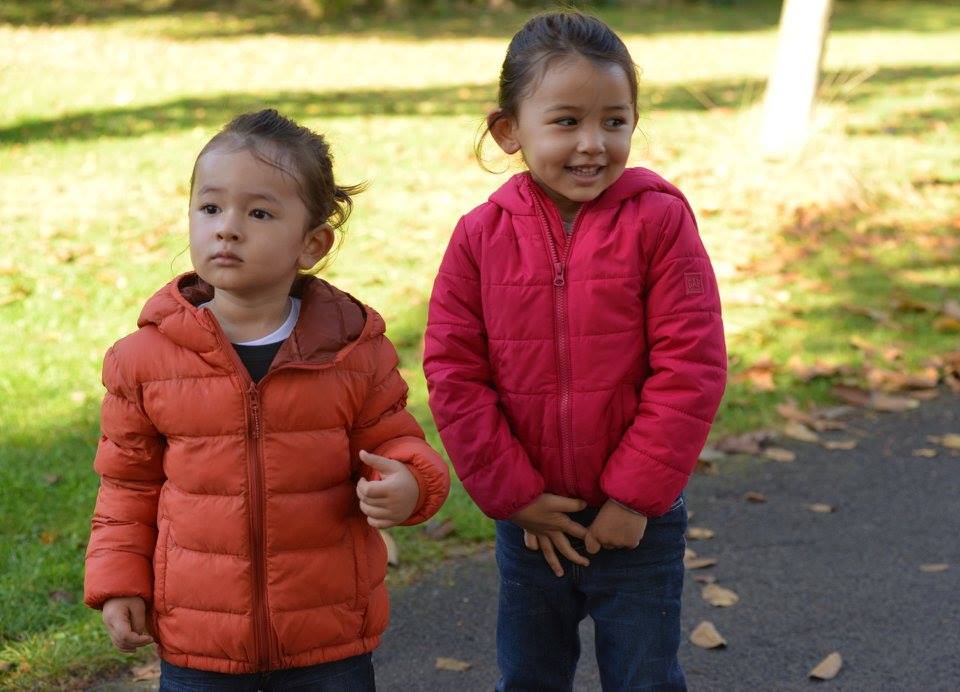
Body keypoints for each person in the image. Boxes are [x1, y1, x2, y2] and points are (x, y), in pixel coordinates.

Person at [83, 109, 450, 691]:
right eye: (210, 208)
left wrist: (411, 483)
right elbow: (127, 486)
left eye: (258, 212)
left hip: (327, 636)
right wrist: (119, 581)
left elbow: (398, 441)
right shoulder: (144, 360)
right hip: (199, 640)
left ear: (312, 243)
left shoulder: (351, 351)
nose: (227, 227)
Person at [423, 12, 726, 691]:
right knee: (530, 676)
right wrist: (514, 496)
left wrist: (634, 498)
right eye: (566, 122)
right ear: (509, 131)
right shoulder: (478, 238)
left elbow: (692, 365)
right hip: (534, 524)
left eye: (614, 122)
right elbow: (453, 373)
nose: (593, 144)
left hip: (638, 525)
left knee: (644, 678)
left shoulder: (659, 220)